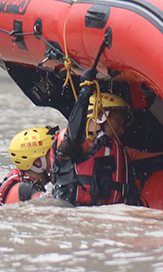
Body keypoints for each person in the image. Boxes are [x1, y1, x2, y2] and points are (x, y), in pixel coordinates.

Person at [52, 74, 133, 206]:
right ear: (100, 115)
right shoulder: (73, 140)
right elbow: (72, 141)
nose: (121, 130)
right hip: (72, 209)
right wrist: (84, 95)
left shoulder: (116, 148)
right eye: (118, 121)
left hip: (106, 213)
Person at [0, 126, 57, 207]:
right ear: (38, 162)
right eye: (53, 153)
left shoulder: (30, 181)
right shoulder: (25, 189)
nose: (57, 158)